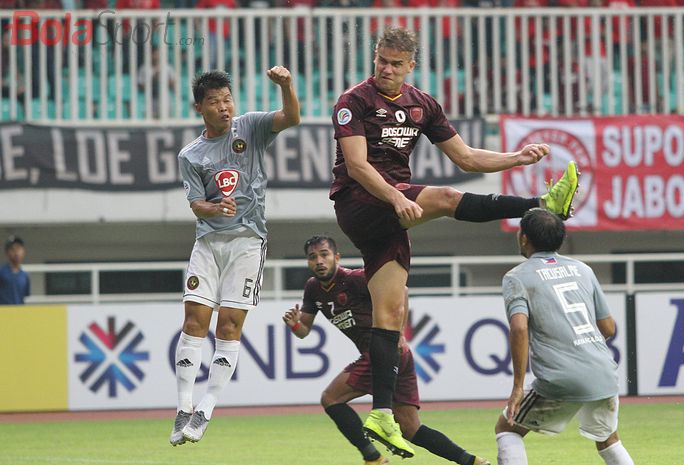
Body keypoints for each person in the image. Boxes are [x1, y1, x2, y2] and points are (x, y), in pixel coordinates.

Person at [330, 26, 579, 457]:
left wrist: (515, 158)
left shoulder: (422, 104)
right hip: (361, 201)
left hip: (394, 215)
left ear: (411, 66)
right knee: (445, 198)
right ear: (375, 58)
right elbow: (356, 166)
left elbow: (465, 158)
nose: (385, 69)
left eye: (394, 64)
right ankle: (542, 203)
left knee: (391, 313)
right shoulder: (353, 102)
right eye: (380, 60)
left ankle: (382, 416)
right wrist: (393, 196)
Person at [169, 68, 300, 446]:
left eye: (228, 99)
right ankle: (183, 408)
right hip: (208, 243)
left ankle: (206, 408)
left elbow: (291, 118)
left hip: (247, 242)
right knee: (194, 321)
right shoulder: (191, 155)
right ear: (200, 108)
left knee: (228, 326)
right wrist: (213, 208)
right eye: (215, 101)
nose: (224, 107)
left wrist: (286, 86)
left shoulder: (251, 128)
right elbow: (195, 203)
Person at [283, 235, 490, 465]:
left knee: (331, 398)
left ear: (337, 257)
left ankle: (373, 458)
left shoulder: (355, 279)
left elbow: (401, 290)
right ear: (308, 262)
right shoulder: (313, 289)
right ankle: (472, 461)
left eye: (324, 254)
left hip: (380, 352)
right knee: (411, 428)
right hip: (391, 355)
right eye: (313, 257)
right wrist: (294, 325)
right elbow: (304, 331)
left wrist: (399, 333)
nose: (319, 261)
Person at [495, 208, 635, 465]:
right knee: (608, 439)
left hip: (559, 378)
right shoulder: (583, 269)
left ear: (523, 237)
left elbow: (519, 328)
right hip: (603, 373)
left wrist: (517, 387)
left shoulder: (516, 277)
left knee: (507, 429)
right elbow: (609, 329)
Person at [0, 235, 30, 305]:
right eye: (13, 249)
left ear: (23, 251)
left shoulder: (24, 275)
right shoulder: (1, 272)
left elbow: (25, 295)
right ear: (7, 253)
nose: (16, 253)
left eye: (19, 249)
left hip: (19, 313)